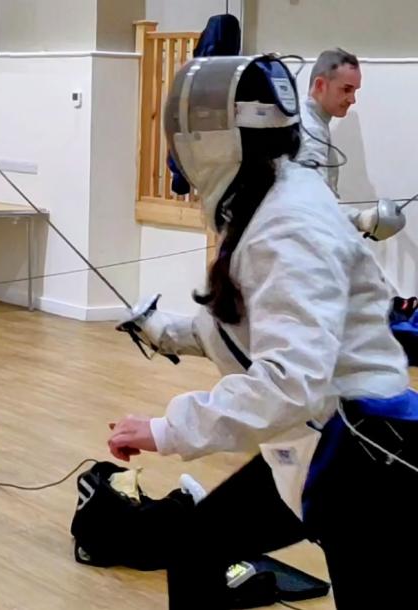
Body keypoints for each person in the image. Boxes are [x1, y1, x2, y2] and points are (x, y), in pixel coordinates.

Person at [110, 55, 417, 609]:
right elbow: (252, 325)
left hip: (364, 461)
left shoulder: (286, 226)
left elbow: (287, 379)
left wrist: (167, 428)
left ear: (216, 142)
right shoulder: (267, 198)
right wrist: (164, 331)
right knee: (197, 549)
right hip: (314, 442)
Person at [297, 48, 405, 241]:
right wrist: (362, 220)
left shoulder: (315, 123)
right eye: (346, 89)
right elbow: (315, 204)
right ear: (320, 85)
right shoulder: (310, 131)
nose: (352, 99)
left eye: (355, 91)